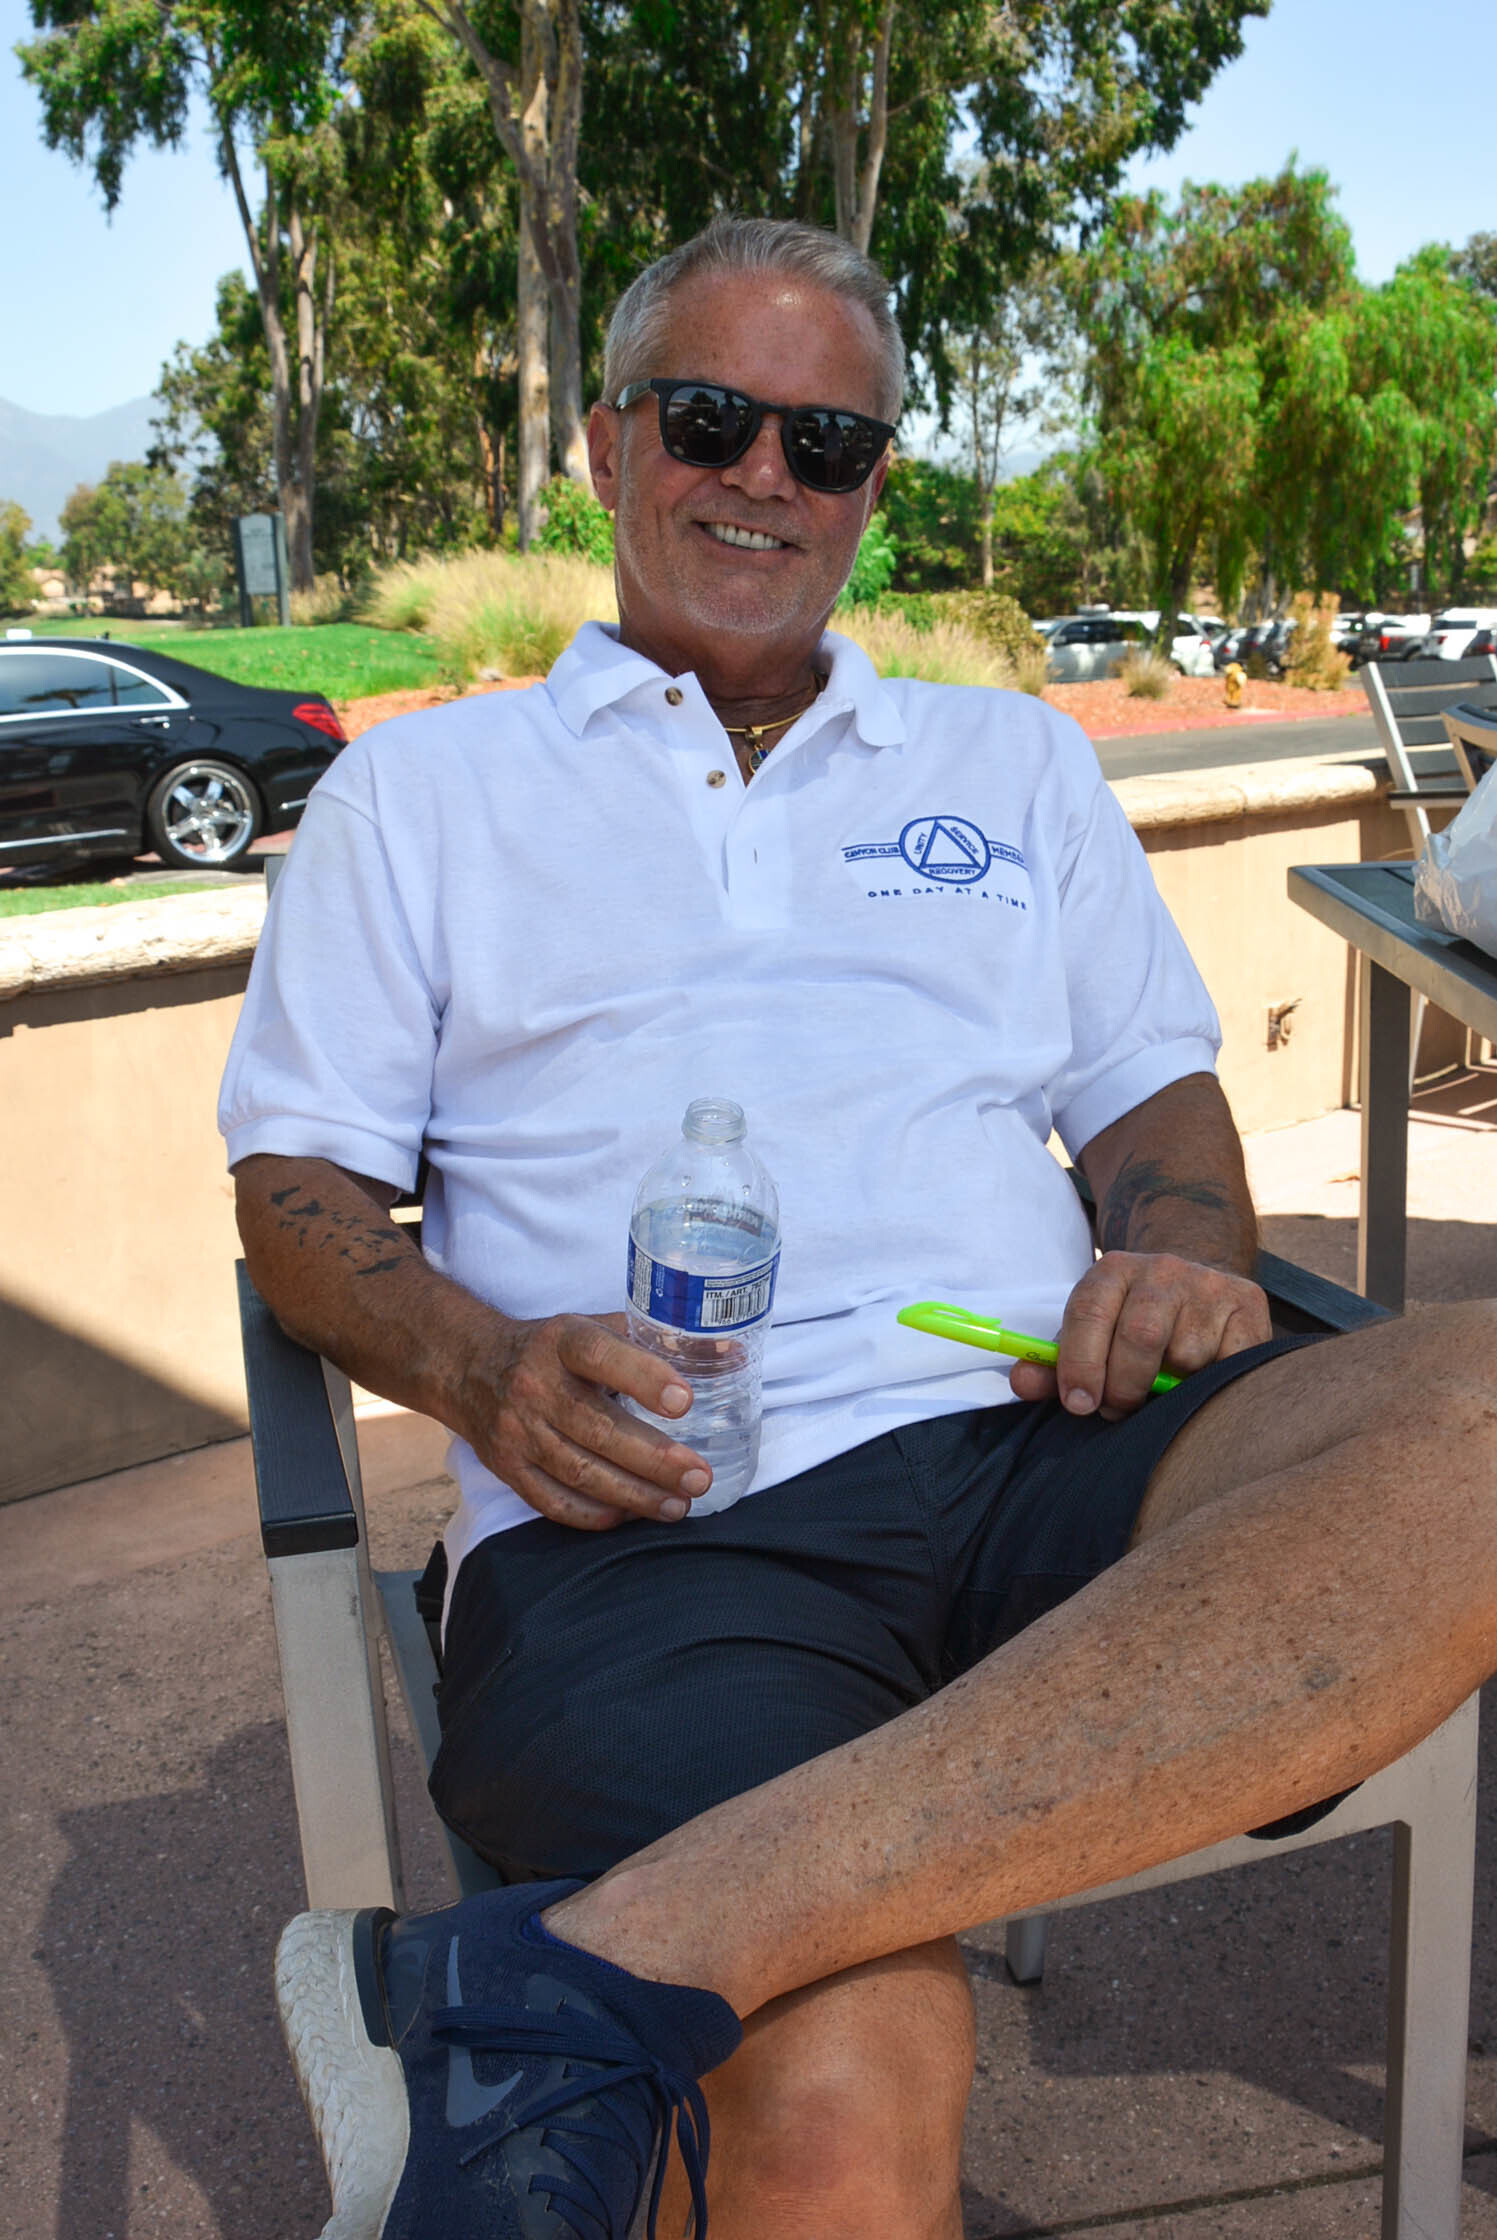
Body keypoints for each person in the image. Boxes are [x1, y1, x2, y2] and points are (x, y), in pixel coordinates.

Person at [223, 217, 1497, 2240]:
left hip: (1045, 1438)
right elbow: (293, 1192)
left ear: (871, 485)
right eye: (709, 420)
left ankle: (564, 1977)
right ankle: (646, 1963)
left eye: (824, 443)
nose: (764, 476)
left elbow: (1148, 1091)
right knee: (834, 2110)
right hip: (655, 1511)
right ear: (606, 440)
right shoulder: (425, 797)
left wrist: (1178, 1247)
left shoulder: (1008, 759)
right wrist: (484, 1373)